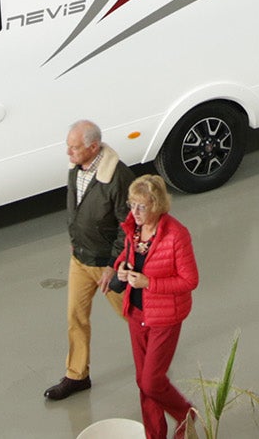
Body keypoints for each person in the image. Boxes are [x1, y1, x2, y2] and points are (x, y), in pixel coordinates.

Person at [46, 119, 130, 402]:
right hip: (80, 259)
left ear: (93, 147)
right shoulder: (75, 169)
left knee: (135, 317)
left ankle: (154, 364)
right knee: (75, 318)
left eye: (74, 147)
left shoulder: (117, 178)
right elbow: (77, 208)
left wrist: (113, 265)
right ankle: (76, 376)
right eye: (68, 146)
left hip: (107, 265)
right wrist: (74, 240)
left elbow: (128, 225)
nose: (68, 152)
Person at [113, 174, 199, 439]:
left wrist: (149, 282)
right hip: (136, 313)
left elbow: (190, 280)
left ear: (157, 205)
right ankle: (155, 436)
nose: (135, 212)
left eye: (142, 206)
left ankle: (187, 414)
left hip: (165, 317)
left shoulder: (176, 235)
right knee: (144, 383)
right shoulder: (133, 229)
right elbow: (125, 258)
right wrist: (122, 270)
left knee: (151, 380)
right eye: (132, 205)